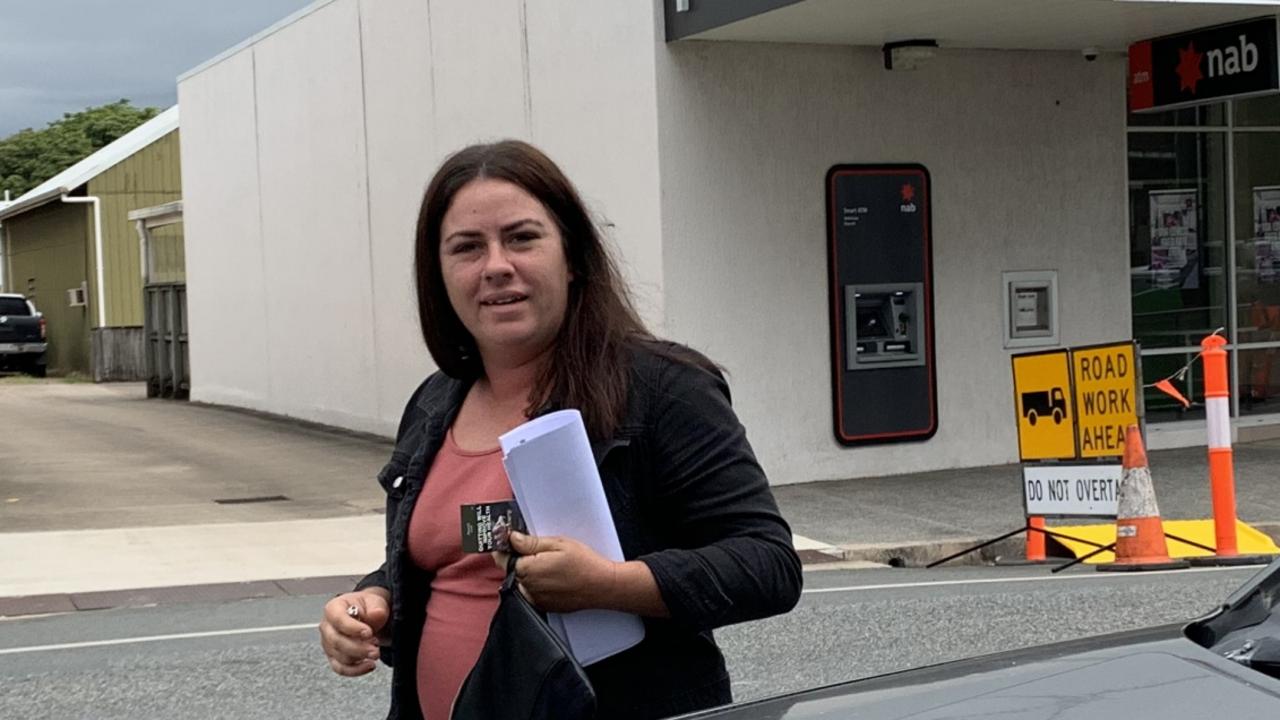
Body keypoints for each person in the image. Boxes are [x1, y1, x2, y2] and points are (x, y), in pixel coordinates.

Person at [318, 140, 802, 720]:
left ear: (572, 257)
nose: (496, 265)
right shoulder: (434, 403)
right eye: (467, 247)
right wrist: (373, 602)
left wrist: (611, 585)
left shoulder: (664, 389)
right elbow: (455, 554)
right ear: (440, 275)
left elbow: (768, 565)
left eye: (522, 238)